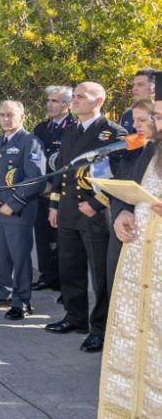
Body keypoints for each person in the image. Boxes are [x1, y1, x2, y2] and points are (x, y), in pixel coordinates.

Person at [46, 81, 127, 353]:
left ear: (99, 100)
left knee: (100, 275)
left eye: (81, 96)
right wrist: (54, 205)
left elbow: (117, 175)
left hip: (95, 213)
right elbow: (63, 170)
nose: (75, 100)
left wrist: (97, 203)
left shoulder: (113, 132)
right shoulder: (71, 129)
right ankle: (75, 317)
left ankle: (100, 329)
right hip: (69, 210)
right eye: (75, 97)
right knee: (70, 267)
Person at [99, 91, 162, 418]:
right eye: (158, 117)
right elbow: (131, 188)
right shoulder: (153, 149)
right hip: (139, 269)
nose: (157, 125)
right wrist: (123, 212)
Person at [0, 101, 46, 319]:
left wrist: (13, 204)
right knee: (0, 255)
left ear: (22, 117)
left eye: (11, 115)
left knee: (20, 257)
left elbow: (36, 179)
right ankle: (3, 292)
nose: (6, 119)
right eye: (2, 115)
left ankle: (22, 301)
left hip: (18, 211)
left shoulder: (30, 142)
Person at [106, 97, 154, 296]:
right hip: (126, 230)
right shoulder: (134, 150)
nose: (135, 125)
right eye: (134, 120)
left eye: (141, 120)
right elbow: (121, 186)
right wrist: (121, 212)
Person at [32, 86, 76, 293]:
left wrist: (55, 185)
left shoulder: (73, 128)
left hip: (64, 191)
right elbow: (34, 159)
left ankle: (62, 281)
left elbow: (71, 164)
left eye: (55, 101)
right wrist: (42, 184)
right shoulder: (41, 128)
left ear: (67, 105)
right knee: (42, 235)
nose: (50, 105)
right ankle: (46, 275)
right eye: (48, 100)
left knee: (62, 240)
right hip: (42, 190)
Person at [118, 68, 155, 134]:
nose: (134, 89)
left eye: (140, 84)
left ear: (154, 88)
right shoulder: (127, 115)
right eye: (134, 85)